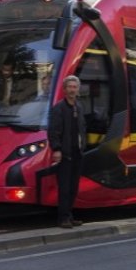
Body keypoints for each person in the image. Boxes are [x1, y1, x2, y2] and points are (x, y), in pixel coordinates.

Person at [48, 75, 86, 228]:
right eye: (69, 87)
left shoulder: (79, 107)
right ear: (64, 89)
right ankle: (63, 218)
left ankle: (69, 216)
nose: (72, 90)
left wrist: (83, 146)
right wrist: (56, 149)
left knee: (73, 188)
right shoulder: (59, 108)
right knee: (64, 188)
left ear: (78, 89)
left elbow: (82, 128)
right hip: (65, 154)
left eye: (74, 87)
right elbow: (53, 131)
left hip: (77, 153)